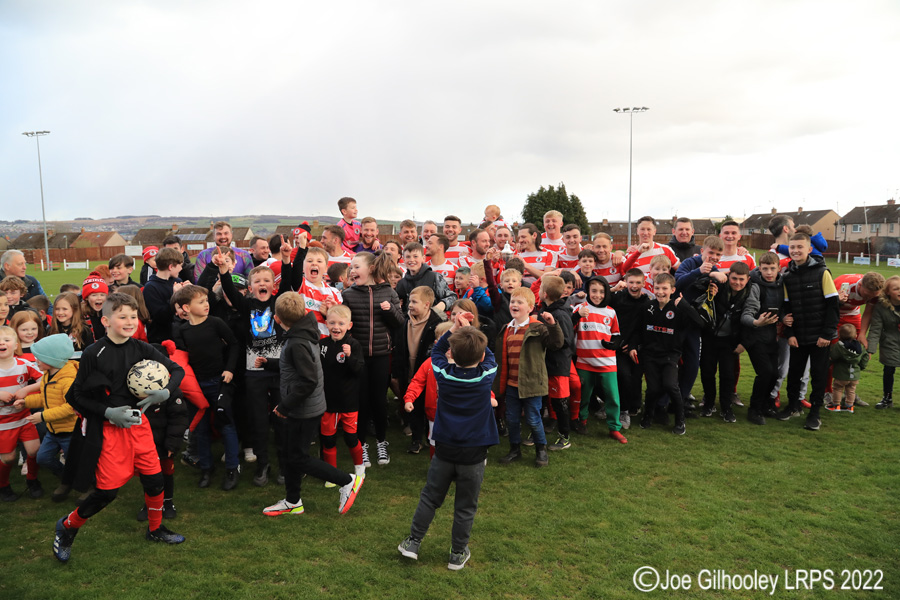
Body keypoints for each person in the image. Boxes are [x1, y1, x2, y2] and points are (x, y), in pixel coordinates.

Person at [52, 293, 187, 563]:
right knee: (106, 493)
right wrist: (108, 412)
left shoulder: (141, 347)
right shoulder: (93, 353)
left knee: (155, 480)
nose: (129, 321)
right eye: (122, 316)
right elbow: (75, 396)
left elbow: (177, 370)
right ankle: (67, 527)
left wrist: (166, 392)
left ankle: (155, 529)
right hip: (110, 431)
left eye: (133, 316)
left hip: (140, 426)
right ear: (105, 321)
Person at [397, 314, 498, 571]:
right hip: (474, 454)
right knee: (465, 506)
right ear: (481, 356)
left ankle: (413, 543)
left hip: (444, 449)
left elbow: (437, 350)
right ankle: (457, 553)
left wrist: (455, 328)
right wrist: (471, 331)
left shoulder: (442, 372)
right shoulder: (486, 374)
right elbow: (488, 354)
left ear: (453, 353)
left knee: (430, 498)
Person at [262, 292, 364, 516]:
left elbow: (308, 380)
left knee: (298, 457)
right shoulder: (305, 332)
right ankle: (293, 501)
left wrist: (284, 406)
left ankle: (347, 481)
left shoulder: (297, 342)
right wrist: (270, 363)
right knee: (290, 455)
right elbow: (296, 366)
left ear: (277, 319)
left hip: (303, 409)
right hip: (305, 406)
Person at [217, 238, 298, 486]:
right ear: (250, 287)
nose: (262, 284)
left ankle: (283, 465)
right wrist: (223, 271)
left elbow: (289, 282)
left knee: (282, 419)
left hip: (280, 371)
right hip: (254, 373)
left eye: (266, 281)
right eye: (257, 281)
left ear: (273, 286)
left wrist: (286, 259)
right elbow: (230, 292)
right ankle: (263, 464)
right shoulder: (246, 306)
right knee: (259, 421)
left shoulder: (279, 303)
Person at [172, 285, 240, 490]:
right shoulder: (182, 330)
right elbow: (181, 358)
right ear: (186, 308)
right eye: (200, 302)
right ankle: (206, 468)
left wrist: (229, 369)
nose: (206, 304)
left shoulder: (216, 323)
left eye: (206, 300)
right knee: (200, 430)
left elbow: (234, 344)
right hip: (196, 388)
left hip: (219, 382)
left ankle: (232, 468)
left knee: (226, 424)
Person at [341, 252, 404, 467]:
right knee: (361, 402)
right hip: (358, 358)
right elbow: (344, 324)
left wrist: (389, 310)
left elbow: (399, 322)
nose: (352, 271)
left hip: (381, 355)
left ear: (370, 268)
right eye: (351, 267)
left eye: (356, 267)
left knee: (379, 400)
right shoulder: (348, 294)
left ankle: (381, 441)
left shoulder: (389, 292)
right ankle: (362, 445)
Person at [776, 233, 839, 431]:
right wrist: (790, 334)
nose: (795, 250)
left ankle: (815, 413)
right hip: (798, 337)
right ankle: (793, 406)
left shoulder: (822, 272)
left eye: (800, 247)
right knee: (794, 374)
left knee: (818, 376)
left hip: (820, 338)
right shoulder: (787, 276)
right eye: (792, 247)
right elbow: (787, 308)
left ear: (809, 250)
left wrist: (827, 334)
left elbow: (833, 306)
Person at [495, 287, 564, 467]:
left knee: (533, 418)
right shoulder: (507, 329)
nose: (514, 305)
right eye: (512, 301)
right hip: (511, 383)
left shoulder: (537, 327)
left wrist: (552, 325)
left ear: (530, 308)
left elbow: (556, 343)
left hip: (532, 383)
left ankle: (541, 450)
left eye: (520, 302)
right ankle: (514, 450)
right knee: (512, 418)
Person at [629, 273, 704, 435]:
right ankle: (647, 416)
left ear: (672, 290)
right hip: (650, 355)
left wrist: (685, 306)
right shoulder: (647, 307)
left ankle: (680, 420)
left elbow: (700, 323)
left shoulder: (679, 308)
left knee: (671, 385)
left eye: (664, 288)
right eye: (657, 288)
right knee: (653, 389)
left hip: (671, 355)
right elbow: (637, 330)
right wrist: (633, 346)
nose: (660, 292)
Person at [14, 334, 78, 501]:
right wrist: (26, 402)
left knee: (77, 462)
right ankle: (67, 479)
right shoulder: (48, 375)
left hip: (70, 431)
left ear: (52, 359)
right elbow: (44, 398)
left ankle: (90, 486)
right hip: (53, 430)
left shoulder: (68, 381)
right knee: (43, 458)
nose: (36, 361)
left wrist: (43, 416)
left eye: (39, 358)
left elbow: (71, 407)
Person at [571, 276, 626, 443]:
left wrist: (614, 344)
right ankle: (582, 421)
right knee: (584, 395)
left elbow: (616, 334)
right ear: (588, 291)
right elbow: (568, 328)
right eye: (594, 291)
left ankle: (614, 428)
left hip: (607, 362)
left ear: (606, 292)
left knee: (612, 396)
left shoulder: (611, 312)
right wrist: (576, 316)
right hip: (584, 361)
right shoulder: (580, 308)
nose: (598, 295)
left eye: (602, 292)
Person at [695, 263, 752, 422]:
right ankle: (709, 404)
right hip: (710, 337)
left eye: (741, 279)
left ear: (747, 279)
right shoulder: (719, 286)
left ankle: (726, 407)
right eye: (734, 278)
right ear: (728, 277)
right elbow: (698, 283)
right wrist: (714, 275)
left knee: (727, 375)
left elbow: (750, 320)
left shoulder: (750, 293)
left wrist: (744, 343)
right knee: (707, 372)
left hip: (730, 341)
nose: (737, 282)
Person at [393, 286, 444, 455]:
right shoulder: (405, 321)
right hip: (407, 370)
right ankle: (416, 439)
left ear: (427, 305)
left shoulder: (436, 324)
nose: (410, 305)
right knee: (413, 406)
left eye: (414, 302)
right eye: (410, 301)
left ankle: (431, 437)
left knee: (426, 406)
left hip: (426, 374)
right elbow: (399, 347)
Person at [319, 305, 366, 480]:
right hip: (328, 402)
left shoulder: (353, 345)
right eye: (332, 323)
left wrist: (349, 357)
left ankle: (359, 468)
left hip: (348, 402)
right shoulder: (322, 345)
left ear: (349, 325)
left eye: (340, 323)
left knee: (351, 438)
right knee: (328, 439)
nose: (336, 327)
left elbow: (359, 371)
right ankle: (332, 475)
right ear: (326, 324)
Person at [739, 252, 784, 425]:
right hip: (754, 336)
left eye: (772, 268)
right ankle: (754, 409)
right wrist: (756, 322)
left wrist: (784, 317)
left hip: (771, 336)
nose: (769, 272)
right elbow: (746, 314)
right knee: (765, 372)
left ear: (779, 268)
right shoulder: (755, 286)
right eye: (765, 269)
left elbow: (784, 307)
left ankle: (766, 405)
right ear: (759, 268)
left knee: (775, 374)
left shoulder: (782, 283)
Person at [0, 325, 43, 502]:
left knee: (35, 450)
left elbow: (45, 379)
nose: (2, 343)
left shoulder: (24, 364)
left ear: (16, 345)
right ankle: (3, 485)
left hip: (24, 418)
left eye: (6, 340)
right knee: (8, 458)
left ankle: (32, 480)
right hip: (3, 423)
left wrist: (26, 391)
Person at [537, 275, 577, 450]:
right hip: (546, 364)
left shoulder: (560, 313)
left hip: (558, 365)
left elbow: (567, 340)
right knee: (544, 400)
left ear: (545, 293)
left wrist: (549, 342)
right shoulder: (547, 310)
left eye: (540, 288)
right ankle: (538, 432)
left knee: (560, 403)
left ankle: (564, 437)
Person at [608, 268, 650, 429]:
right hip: (618, 346)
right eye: (631, 282)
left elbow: (643, 328)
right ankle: (623, 410)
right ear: (625, 282)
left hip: (636, 347)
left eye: (638, 282)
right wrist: (613, 289)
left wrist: (633, 345)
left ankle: (635, 405)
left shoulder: (646, 303)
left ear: (644, 283)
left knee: (636, 377)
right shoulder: (618, 298)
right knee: (623, 375)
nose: (634, 286)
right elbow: (601, 301)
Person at [865, 275, 900, 409]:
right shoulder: (880, 307)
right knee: (889, 369)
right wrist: (870, 349)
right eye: (896, 289)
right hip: (889, 342)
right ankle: (887, 398)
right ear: (888, 292)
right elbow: (875, 329)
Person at [296, 245, 344, 338]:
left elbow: (341, 322)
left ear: (326, 268)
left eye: (319, 261)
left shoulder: (334, 292)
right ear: (303, 267)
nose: (314, 263)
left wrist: (330, 313)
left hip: (325, 341)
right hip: (304, 340)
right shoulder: (300, 284)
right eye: (310, 261)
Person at [395, 242, 455, 314]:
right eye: (408, 257)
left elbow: (452, 297)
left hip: (433, 319)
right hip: (411, 320)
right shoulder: (402, 283)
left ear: (423, 258)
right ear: (404, 260)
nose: (411, 260)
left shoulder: (434, 277)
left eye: (415, 256)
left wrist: (440, 306)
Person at [142, 248, 185, 344]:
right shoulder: (150, 288)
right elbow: (161, 316)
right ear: (171, 267)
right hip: (161, 340)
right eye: (180, 266)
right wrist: (175, 296)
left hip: (179, 337)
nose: (181, 269)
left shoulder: (177, 281)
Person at [826, 324, 869, 412]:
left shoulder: (838, 346)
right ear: (855, 335)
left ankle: (836, 405)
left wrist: (829, 363)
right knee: (851, 390)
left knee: (837, 389)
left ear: (839, 335)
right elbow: (865, 357)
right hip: (854, 375)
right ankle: (849, 406)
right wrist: (861, 366)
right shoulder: (860, 347)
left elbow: (833, 356)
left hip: (841, 374)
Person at [515, 223, 557, 287]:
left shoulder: (550, 254)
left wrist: (525, 265)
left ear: (534, 235)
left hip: (541, 292)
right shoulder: (517, 254)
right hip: (522, 292)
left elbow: (548, 278)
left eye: (523, 237)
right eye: (519, 238)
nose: (520, 240)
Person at [81, 272, 109, 343]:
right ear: (86, 298)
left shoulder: (110, 313)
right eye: (94, 295)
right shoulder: (81, 316)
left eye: (102, 295)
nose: (99, 298)